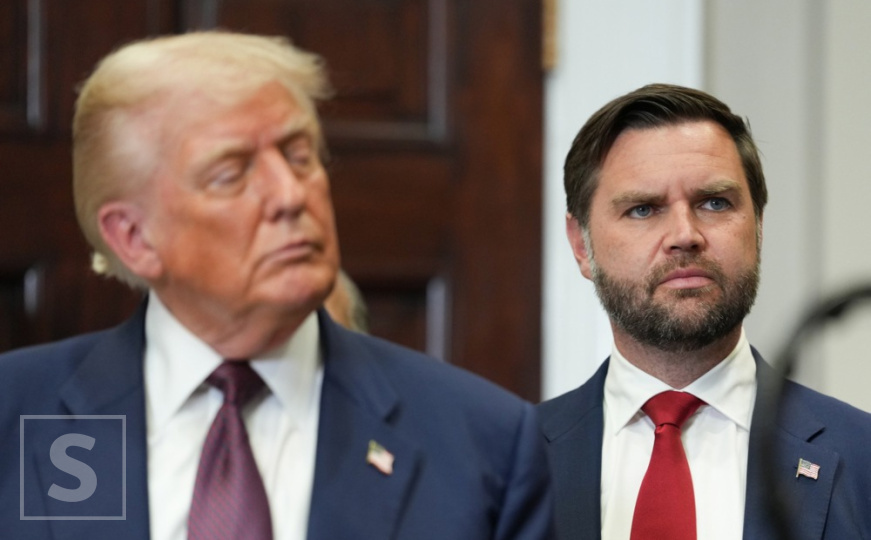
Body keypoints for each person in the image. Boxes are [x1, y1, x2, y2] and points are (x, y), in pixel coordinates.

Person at [0, 31, 554, 540]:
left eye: (300, 156)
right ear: (134, 238)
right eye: (230, 173)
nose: (290, 195)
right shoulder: (16, 413)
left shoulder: (483, 442)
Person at [537, 83, 871, 540]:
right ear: (581, 245)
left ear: (758, 226)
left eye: (715, 203)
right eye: (643, 209)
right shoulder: (506, 462)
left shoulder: (861, 456)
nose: (685, 235)